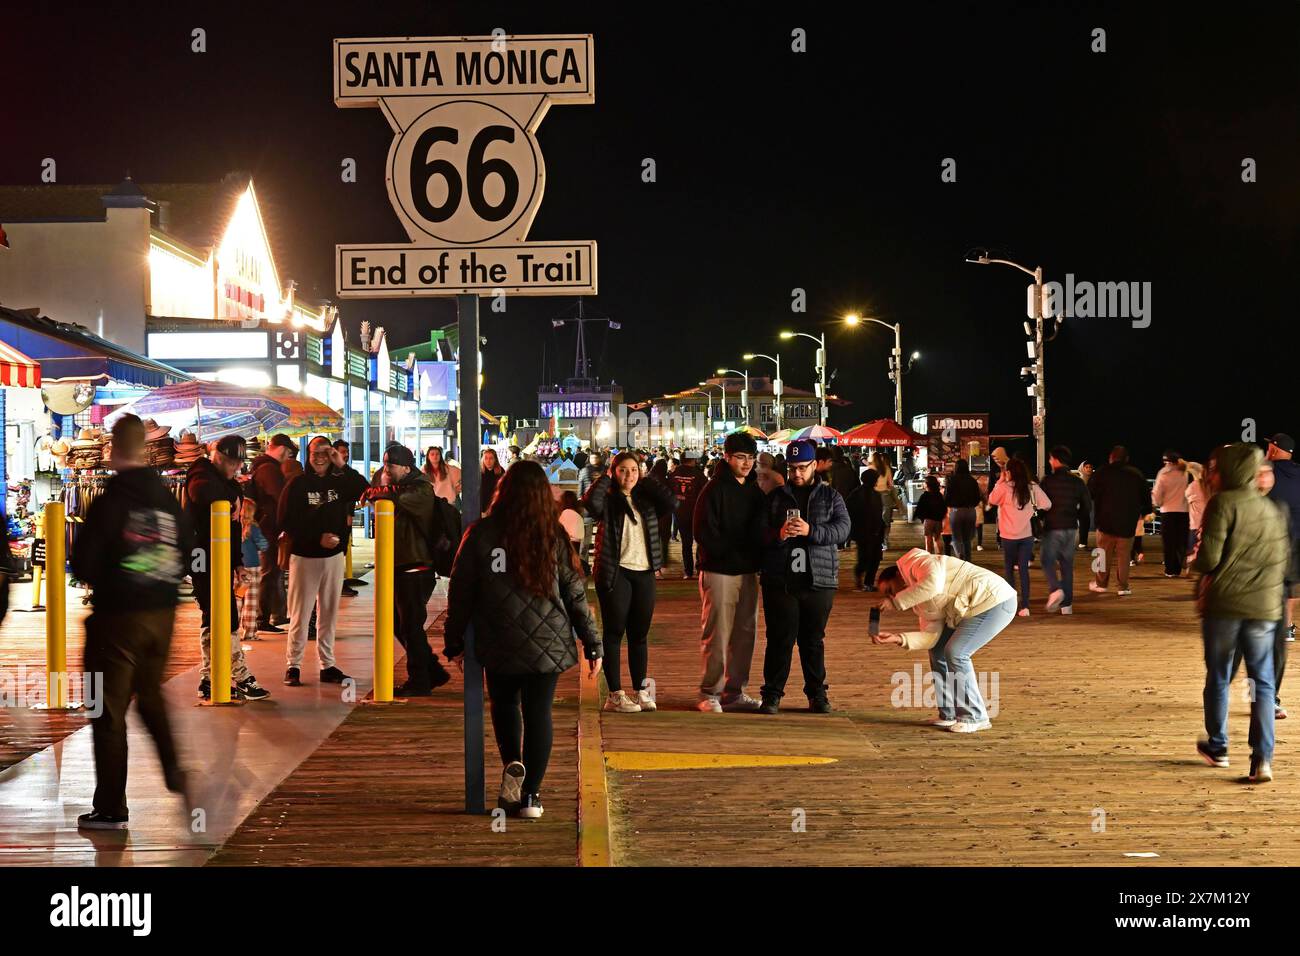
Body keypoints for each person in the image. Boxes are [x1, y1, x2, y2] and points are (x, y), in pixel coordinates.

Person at [443, 461, 602, 819]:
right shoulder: (553, 535)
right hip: (548, 641)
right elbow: (575, 594)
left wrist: (454, 642)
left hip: (498, 638)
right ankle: (531, 796)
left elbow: (461, 590)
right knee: (539, 712)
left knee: (504, 706)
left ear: (503, 491)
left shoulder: (481, 533)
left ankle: (513, 765)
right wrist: (593, 644)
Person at [72, 415, 194, 829]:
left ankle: (110, 806)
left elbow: (84, 562)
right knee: (151, 698)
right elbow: (187, 546)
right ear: (144, 448)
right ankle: (175, 771)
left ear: (111, 449)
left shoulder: (112, 499)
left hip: (117, 619)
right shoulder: (165, 497)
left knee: (106, 711)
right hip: (161, 615)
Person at [1193, 442, 1289, 783]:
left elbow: (1209, 559)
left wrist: (1196, 562)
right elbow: (1280, 562)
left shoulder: (1223, 503)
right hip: (1265, 608)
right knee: (1262, 682)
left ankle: (1218, 747)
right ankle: (1262, 759)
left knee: (1219, 676)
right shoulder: (1272, 510)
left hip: (1225, 606)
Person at [872, 548, 1018, 733]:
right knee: (938, 650)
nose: (891, 597)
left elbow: (933, 584)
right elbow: (931, 637)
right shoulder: (919, 603)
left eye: (890, 591)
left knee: (956, 652)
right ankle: (949, 713)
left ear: (898, 576)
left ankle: (975, 716)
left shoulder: (918, 561)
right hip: (975, 608)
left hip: (995, 600)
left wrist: (896, 602)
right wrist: (898, 638)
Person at [756, 439, 851, 715]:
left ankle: (817, 694)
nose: (797, 474)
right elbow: (758, 533)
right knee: (779, 639)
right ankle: (772, 695)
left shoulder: (830, 496)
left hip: (819, 579)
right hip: (781, 580)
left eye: (803, 468)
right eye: (792, 468)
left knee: (813, 640)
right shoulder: (775, 498)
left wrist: (812, 531)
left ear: (814, 466)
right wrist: (779, 535)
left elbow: (843, 530)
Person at [583, 450, 675, 713]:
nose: (629, 475)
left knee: (639, 634)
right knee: (614, 633)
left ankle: (641, 691)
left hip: (644, 572)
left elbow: (671, 503)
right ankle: (615, 694)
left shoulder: (645, 500)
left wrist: (646, 478)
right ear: (614, 471)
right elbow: (590, 503)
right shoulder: (609, 500)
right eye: (623, 469)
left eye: (633, 469)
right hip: (616, 571)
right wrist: (605, 477)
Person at [185, 434, 270, 701]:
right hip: (202, 557)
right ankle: (238, 675)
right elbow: (202, 492)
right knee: (219, 615)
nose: (237, 469)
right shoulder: (200, 473)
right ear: (218, 457)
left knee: (217, 616)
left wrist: (236, 564)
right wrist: (232, 498)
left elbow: (232, 527)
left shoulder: (224, 480)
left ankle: (211, 677)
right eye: (233, 463)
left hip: (221, 557)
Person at [278, 436, 368, 687]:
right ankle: (293, 665)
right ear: (307, 454)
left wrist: (342, 465)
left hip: (333, 558)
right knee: (300, 613)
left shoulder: (340, 482)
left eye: (325, 452)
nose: (319, 457)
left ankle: (327, 664)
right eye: (314, 452)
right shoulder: (297, 484)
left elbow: (364, 488)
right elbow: (286, 521)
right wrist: (317, 538)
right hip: (305, 556)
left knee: (328, 614)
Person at [371, 444, 453, 696]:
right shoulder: (403, 486)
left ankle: (420, 679)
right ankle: (432, 671)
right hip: (400, 565)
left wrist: (382, 489)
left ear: (406, 467)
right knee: (398, 623)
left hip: (416, 567)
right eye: (384, 464)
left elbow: (396, 498)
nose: (386, 470)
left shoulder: (421, 489)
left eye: (390, 465)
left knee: (410, 625)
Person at [693, 431, 766, 713]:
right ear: (727, 457)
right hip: (719, 570)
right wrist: (732, 551)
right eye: (740, 457)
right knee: (717, 634)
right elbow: (703, 532)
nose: (746, 463)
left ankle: (735, 692)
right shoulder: (713, 489)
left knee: (745, 633)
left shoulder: (754, 491)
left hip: (748, 572)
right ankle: (710, 691)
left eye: (750, 458)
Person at [988, 457, 1051, 617]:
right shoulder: (1031, 487)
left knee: (1009, 570)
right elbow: (1047, 504)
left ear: (1008, 472)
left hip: (1008, 536)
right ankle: (1026, 606)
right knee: (1023, 570)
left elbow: (991, 500)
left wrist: (1000, 481)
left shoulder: (1003, 487)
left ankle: (1011, 605)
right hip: (1026, 535)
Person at [249, 433, 297, 633]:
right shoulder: (269, 469)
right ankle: (262, 619)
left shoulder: (265, 467)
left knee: (273, 572)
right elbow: (280, 499)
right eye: (289, 453)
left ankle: (273, 615)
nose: (289, 457)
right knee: (269, 573)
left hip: (266, 528)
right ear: (283, 449)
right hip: (269, 530)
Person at [1088, 445, 1150, 597]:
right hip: (1128, 522)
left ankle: (1101, 584)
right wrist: (1145, 511)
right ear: (1126, 459)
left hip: (1105, 521)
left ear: (1111, 458)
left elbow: (1089, 492)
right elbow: (1146, 498)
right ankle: (1123, 587)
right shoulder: (1136, 475)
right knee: (1124, 556)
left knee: (1102, 553)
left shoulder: (1102, 472)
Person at [1039, 445, 1092, 615]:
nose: (1049, 461)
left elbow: (1041, 506)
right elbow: (1087, 506)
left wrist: (1041, 518)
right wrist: (1075, 515)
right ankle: (1067, 605)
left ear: (1055, 460)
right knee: (1066, 565)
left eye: (1050, 459)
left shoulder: (1047, 481)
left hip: (1053, 526)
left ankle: (1055, 589)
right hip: (1071, 528)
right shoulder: (1077, 482)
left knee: (1047, 560)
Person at [1265, 433, 1300, 644]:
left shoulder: (1266, 471)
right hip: (1298, 537)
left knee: (1269, 583)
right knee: (1292, 583)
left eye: (1269, 446)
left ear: (1275, 449)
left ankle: (1267, 626)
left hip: (1272, 538)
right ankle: (1287, 628)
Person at [1152, 450, 1191, 578]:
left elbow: (1157, 495)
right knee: (1180, 541)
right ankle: (1178, 567)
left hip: (1167, 511)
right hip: (1183, 511)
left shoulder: (1163, 473)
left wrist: (1158, 503)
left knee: (1169, 542)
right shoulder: (1184, 473)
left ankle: (1170, 570)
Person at [846, 466, 886, 590]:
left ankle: (867, 582)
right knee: (868, 558)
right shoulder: (861, 494)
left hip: (870, 531)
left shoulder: (863, 493)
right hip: (866, 531)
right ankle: (862, 576)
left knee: (872, 558)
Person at [671, 449, 707, 579]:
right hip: (696, 512)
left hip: (680, 512)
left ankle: (688, 571)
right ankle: (699, 567)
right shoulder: (698, 474)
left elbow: (669, 491)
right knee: (700, 540)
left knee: (686, 543)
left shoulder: (674, 474)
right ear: (692, 460)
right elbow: (705, 492)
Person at [236, 497, 268, 643]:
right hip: (252, 568)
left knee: (237, 599)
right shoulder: (253, 528)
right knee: (251, 602)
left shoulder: (234, 526)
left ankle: (232, 630)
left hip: (237, 567)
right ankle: (249, 632)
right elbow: (264, 545)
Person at [943, 459, 981, 560]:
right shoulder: (972, 480)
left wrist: (951, 504)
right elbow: (978, 497)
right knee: (967, 538)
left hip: (956, 511)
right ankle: (968, 559)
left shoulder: (952, 480)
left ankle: (959, 554)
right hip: (970, 511)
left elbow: (946, 498)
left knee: (956, 537)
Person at [648, 458, 674, 573]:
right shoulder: (666, 480)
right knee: (664, 538)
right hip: (664, 514)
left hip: (651, 514)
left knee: (652, 538)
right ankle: (663, 561)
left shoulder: (649, 478)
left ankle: (653, 561)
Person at [913, 475, 946, 555]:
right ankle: (939, 556)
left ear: (927, 485)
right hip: (938, 520)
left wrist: (920, 518)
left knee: (928, 539)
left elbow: (919, 508)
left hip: (928, 520)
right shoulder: (939, 495)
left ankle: (929, 556)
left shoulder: (925, 496)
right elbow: (943, 508)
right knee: (937, 539)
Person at [871, 451, 897, 548]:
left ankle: (876, 540)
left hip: (873, 496)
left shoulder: (871, 468)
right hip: (886, 496)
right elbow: (891, 484)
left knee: (875, 519)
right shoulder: (886, 468)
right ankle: (885, 541)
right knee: (886, 520)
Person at [1076, 460, 1095, 548]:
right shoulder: (1078, 479)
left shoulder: (1094, 479)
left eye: (1090, 467)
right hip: (1078, 504)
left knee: (1086, 523)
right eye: (1086, 467)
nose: (1088, 469)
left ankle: (1083, 541)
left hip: (1089, 504)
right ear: (1082, 468)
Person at [480, 448, 506, 516]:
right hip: (482, 508)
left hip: (496, 508)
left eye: (491, 458)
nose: (488, 461)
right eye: (486, 458)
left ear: (495, 460)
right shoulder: (479, 472)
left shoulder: (501, 471)